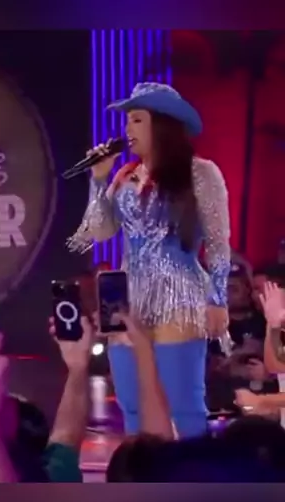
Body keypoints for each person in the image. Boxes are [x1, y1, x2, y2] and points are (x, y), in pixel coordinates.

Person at [68, 82, 231, 437]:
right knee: (132, 406)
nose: (127, 129)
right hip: (129, 299)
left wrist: (218, 298)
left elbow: (219, 243)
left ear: (162, 124)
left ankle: (194, 471)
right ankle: (142, 471)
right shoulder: (125, 176)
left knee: (183, 407)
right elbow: (100, 231)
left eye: (137, 120)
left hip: (179, 297)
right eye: (127, 120)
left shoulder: (201, 173)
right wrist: (99, 181)